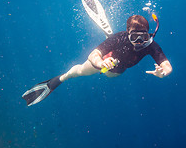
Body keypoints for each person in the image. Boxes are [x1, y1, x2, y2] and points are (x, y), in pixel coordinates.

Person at [22, 14, 172, 106]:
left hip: (118, 70)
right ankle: (60, 79)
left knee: (111, 75)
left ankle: (108, 54)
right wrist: (101, 63)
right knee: (80, 71)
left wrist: (163, 73)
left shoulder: (151, 45)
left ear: (148, 35)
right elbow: (93, 55)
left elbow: (166, 65)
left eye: (143, 37)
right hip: (105, 61)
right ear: (128, 34)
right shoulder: (120, 38)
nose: (139, 41)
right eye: (134, 37)